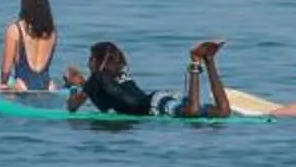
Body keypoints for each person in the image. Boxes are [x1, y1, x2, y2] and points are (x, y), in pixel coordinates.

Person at [64, 39, 232, 119]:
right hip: (161, 98)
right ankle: (209, 60)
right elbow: (110, 94)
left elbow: (72, 107)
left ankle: (196, 59)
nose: (88, 62)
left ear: (97, 61)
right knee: (223, 112)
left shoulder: (96, 78)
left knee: (193, 112)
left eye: (90, 58)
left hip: (154, 106)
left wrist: (72, 86)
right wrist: (83, 83)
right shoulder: (118, 75)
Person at [0, 0, 61, 92]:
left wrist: (3, 88)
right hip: (47, 88)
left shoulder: (14, 30)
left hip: (22, 87)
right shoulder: (52, 31)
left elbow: (6, 70)